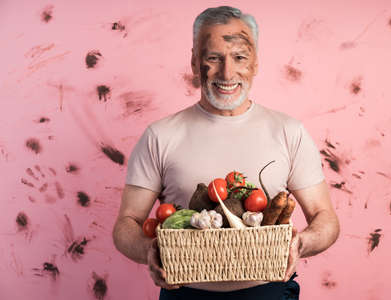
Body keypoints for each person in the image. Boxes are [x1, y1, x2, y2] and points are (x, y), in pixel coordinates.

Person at [112, 6, 340, 300]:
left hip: (268, 293)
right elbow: (125, 224)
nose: (227, 73)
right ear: (195, 62)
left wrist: (301, 243)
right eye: (213, 58)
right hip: (186, 295)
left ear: (255, 63)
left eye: (239, 57)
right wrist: (149, 251)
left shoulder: (288, 131)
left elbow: (326, 218)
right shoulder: (160, 135)